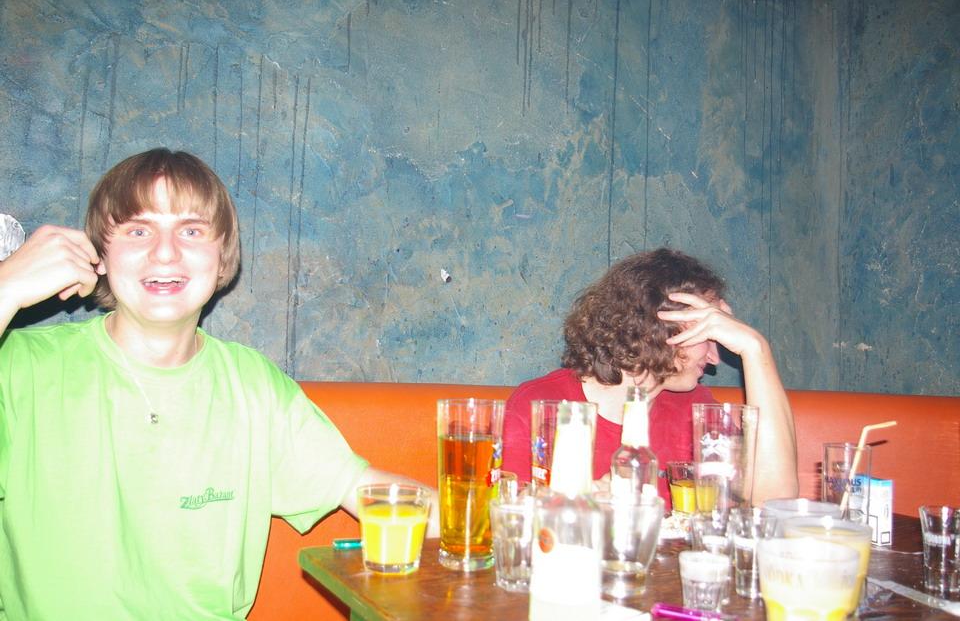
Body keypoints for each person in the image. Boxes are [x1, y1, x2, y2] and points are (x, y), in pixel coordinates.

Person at [0, 149, 438, 620]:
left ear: (223, 257)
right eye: (138, 230)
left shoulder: (253, 387)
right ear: (99, 255)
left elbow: (367, 491)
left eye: (191, 230)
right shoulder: (21, 367)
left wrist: (491, 520)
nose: (165, 252)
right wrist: (5, 286)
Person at [501, 248, 798, 506]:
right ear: (658, 328)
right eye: (707, 337)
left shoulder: (694, 409)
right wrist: (583, 503)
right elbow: (510, 516)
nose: (714, 358)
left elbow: (774, 501)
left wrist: (755, 349)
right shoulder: (543, 405)